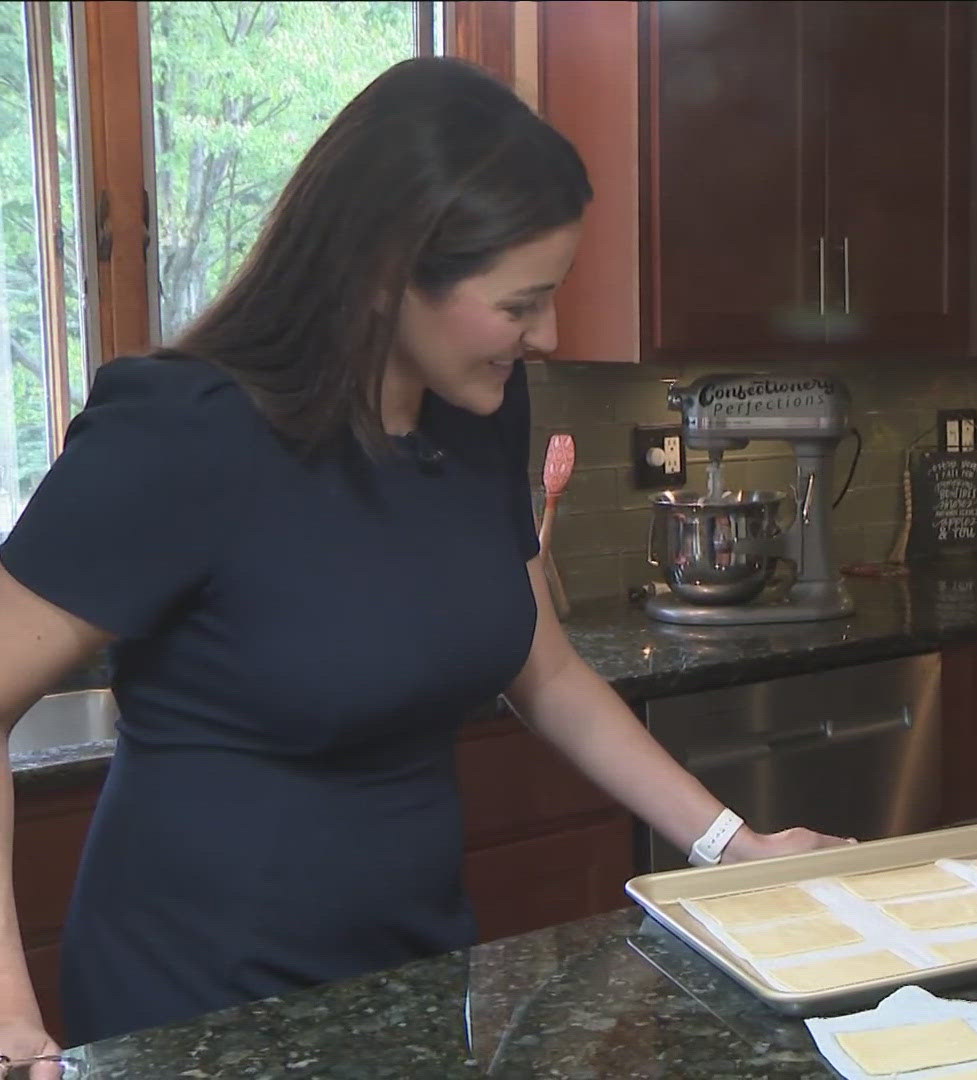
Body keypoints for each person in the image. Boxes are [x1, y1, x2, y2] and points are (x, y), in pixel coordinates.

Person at [0, 57, 848, 1056]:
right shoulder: (185, 429)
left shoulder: (474, 413)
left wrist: (728, 845)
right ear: (384, 273)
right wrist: (9, 1015)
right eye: (520, 303)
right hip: (202, 1001)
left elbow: (549, 669)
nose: (549, 333)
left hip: (410, 971)